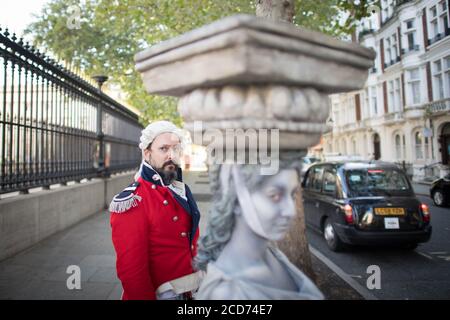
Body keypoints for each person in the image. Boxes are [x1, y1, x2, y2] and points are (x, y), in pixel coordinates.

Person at [194, 154, 324, 300]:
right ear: (236, 199)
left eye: (292, 195)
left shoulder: (270, 252)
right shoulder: (225, 294)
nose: (291, 211)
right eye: (274, 195)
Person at [110, 120, 201, 300]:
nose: (171, 155)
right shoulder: (134, 200)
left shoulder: (179, 189)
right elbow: (132, 270)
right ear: (147, 153)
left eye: (175, 149)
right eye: (164, 149)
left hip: (187, 290)